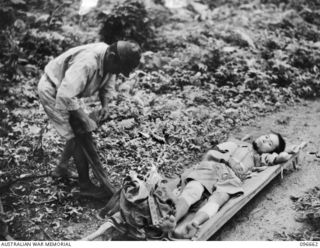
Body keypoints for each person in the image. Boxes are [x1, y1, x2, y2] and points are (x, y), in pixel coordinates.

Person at [38, 41, 141, 198]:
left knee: (78, 129)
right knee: (77, 135)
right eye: (119, 68)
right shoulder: (87, 62)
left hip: (71, 91)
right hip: (53, 89)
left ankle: (61, 168)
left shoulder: (110, 60)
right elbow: (65, 95)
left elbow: (107, 86)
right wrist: (85, 120)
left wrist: (105, 105)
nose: (118, 72)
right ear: (112, 57)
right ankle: (84, 185)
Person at [160, 132, 289, 238]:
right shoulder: (236, 145)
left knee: (218, 199)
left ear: (271, 151)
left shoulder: (260, 158)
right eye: (266, 136)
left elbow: (282, 157)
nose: (264, 140)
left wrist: (279, 155)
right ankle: (172, 220)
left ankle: (194, 224)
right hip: (215, 168)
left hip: (232, 179)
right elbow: (212, 153)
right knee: (194, 189)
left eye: (269, 143)